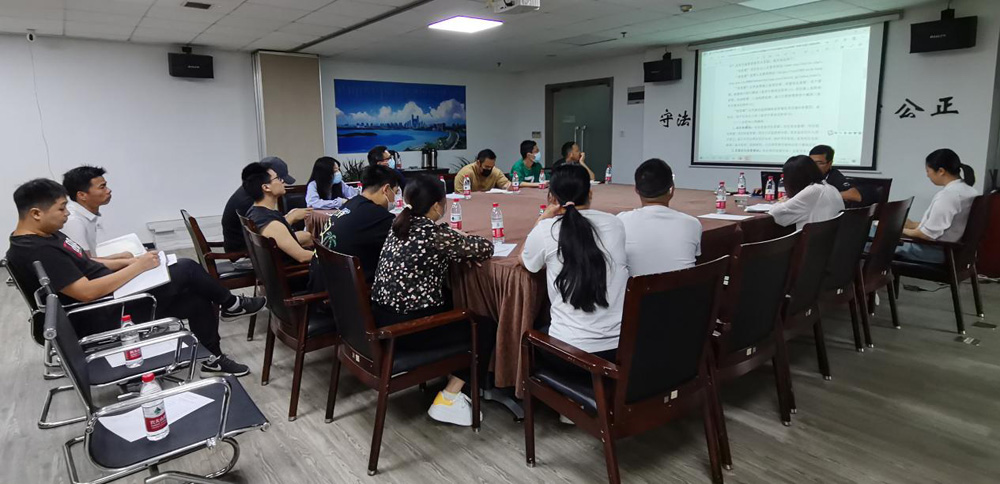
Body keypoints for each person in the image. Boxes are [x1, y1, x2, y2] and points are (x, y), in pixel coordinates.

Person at [6, 179, 264, 376]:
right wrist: (138, 268)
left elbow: (86, 262)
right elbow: (86, 292)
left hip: (110, 298)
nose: (67, 213)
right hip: (99, 313)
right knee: (185, 268)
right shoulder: (38, 251)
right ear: (36, 213)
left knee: (195, 298)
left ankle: (213, 358)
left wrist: (125, 262)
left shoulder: (45, 235)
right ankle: (232, 304)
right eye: (62, 208)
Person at [370, 175, 495, 426]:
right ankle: (450, 397)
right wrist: (455, 238)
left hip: (381, 318)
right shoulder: (434, 235)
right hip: (408, 330)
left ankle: (451, 371)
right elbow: (485, 248)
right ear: (437, 206)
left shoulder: (399, 226)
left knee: (451, 302)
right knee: (484, 326)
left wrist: (450, 236)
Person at [521, 163, 629, 375]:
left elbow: (526, 261)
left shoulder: (546, 229)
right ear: (590, 194)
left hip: (572, 356)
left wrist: (541, 219)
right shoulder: (615, 224)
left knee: (537, 332)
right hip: (621, 350)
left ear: (552, 198)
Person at [316, 165, 399, 286]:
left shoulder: (350, 204)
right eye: (395, 192)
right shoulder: (378, 216)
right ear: (386, 189)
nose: (395, 198)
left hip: (324, 284)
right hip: (346, 292)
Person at [617, 159, 701, 276]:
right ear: (672, 189)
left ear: (636, 190)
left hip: (638, 287)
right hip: (682, 287)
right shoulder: (692, 224)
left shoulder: (620, 222)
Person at [897, 149, 979, 264]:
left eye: (928, 171)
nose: (927, 175)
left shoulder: (948, 196)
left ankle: (875, 273)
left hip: (932, 252)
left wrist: (897, 229)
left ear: (941, 171)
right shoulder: (970, 191)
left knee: (878, 240)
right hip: (953, 251)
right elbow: (946, 226)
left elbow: (925, 235)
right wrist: (913, 225)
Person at [221, 156, 303, 254]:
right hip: (245, 250)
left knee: (304, 237)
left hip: (247, 243)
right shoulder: (250, 201)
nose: (283, 183)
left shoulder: (250, 192)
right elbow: (264, 230)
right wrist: (292, 218)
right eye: (279, 179)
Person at [241, 162, 314, 264]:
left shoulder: (255, 211)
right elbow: (302, 256)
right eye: (278, 178)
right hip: (293, 270)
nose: (282, 181)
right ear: (266, 187)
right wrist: (331, 256)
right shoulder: (270, 223)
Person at [60, 165, 130, 258]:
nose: (109, 190)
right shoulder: (73, 220)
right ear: (82, 195)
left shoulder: (88, 215)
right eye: (102, 187)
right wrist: (127, 259)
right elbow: (85, 263)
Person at [769, 155, 845, 230]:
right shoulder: (830, 187)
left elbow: (775, 213)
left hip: (815, 237)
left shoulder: (812, 191)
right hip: (831, 237)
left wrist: (781, 202)